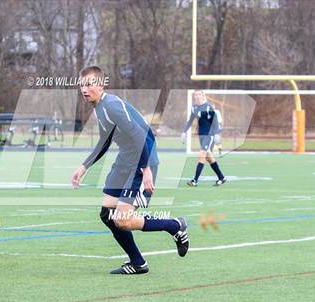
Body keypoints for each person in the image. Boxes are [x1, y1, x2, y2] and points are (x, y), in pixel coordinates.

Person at [71, 66, 189, 275]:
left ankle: (174, 226)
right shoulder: (99, 107)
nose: (84, 89)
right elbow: (105, 141)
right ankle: (138, 263)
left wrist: (146, 169)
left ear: (100, 84)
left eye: (89, 84)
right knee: (108, 214)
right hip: (126, 160)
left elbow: (139, 136)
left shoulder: (111, 105)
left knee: (123, 220)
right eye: (82, 84)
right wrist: (84, 166)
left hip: (141, 161)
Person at [181, 90, 226, 187]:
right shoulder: (194, 108)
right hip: (201, 135)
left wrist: (217, 133)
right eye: (195, 95)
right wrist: (184, 132)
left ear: (203, 95)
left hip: (209, 135)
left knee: (202, 155)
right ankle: (221, 177)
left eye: (199, 94)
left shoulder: (208, 106)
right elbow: (190, 121)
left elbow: (215, 121)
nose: (197, 96)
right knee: (209, 158)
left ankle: (195, 180)